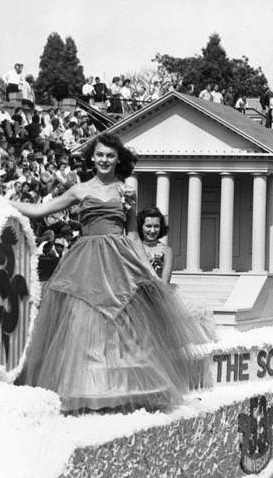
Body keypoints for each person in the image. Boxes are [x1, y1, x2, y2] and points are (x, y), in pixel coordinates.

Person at [11, 133, 207, 413]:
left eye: (110, 156)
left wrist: (148, 272)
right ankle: (83, 389)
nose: (104, 160)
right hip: (85, 262)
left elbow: (133, 235)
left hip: (119, 262)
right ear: (92, 157)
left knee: (121, 326)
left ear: (118, 159)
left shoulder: (126, 191)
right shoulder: (78, 190)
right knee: (82, 320)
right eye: (100, 154)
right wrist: (3, 202)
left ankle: (117, 392)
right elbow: (40, 210)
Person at [137, 206, 173, 284]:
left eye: (156, 226)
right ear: (141, 227)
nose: (152, 230)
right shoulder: (133, 248)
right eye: (148, 226)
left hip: (159, 293)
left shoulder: (166, 251)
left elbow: (165, 281)